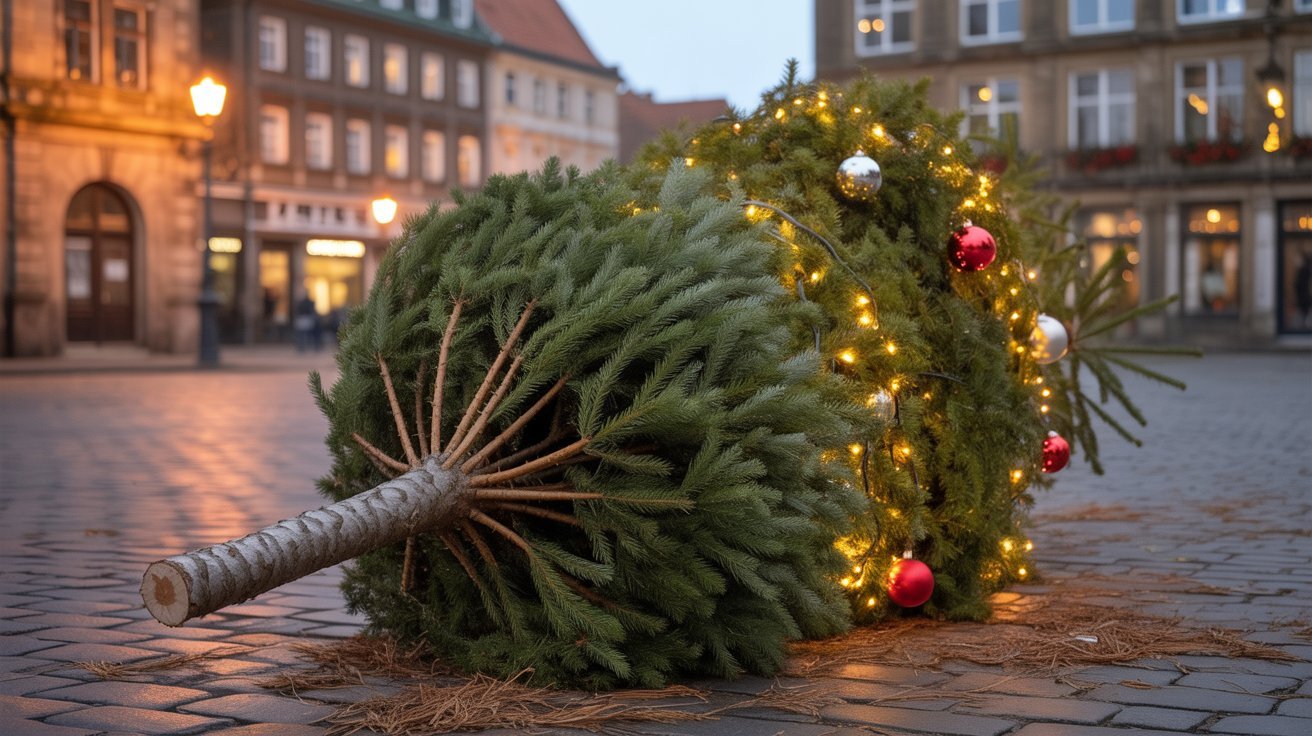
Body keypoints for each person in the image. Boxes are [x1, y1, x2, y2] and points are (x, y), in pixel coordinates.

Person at [1295, 254, 1312, 330]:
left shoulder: (1304, 270)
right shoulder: (1305, 270)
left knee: (1305, 310)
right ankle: (1305, 324)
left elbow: (1300, 284)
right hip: (1304, 294)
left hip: (1305, 294)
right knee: (1305, 310)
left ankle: (1305, 324)